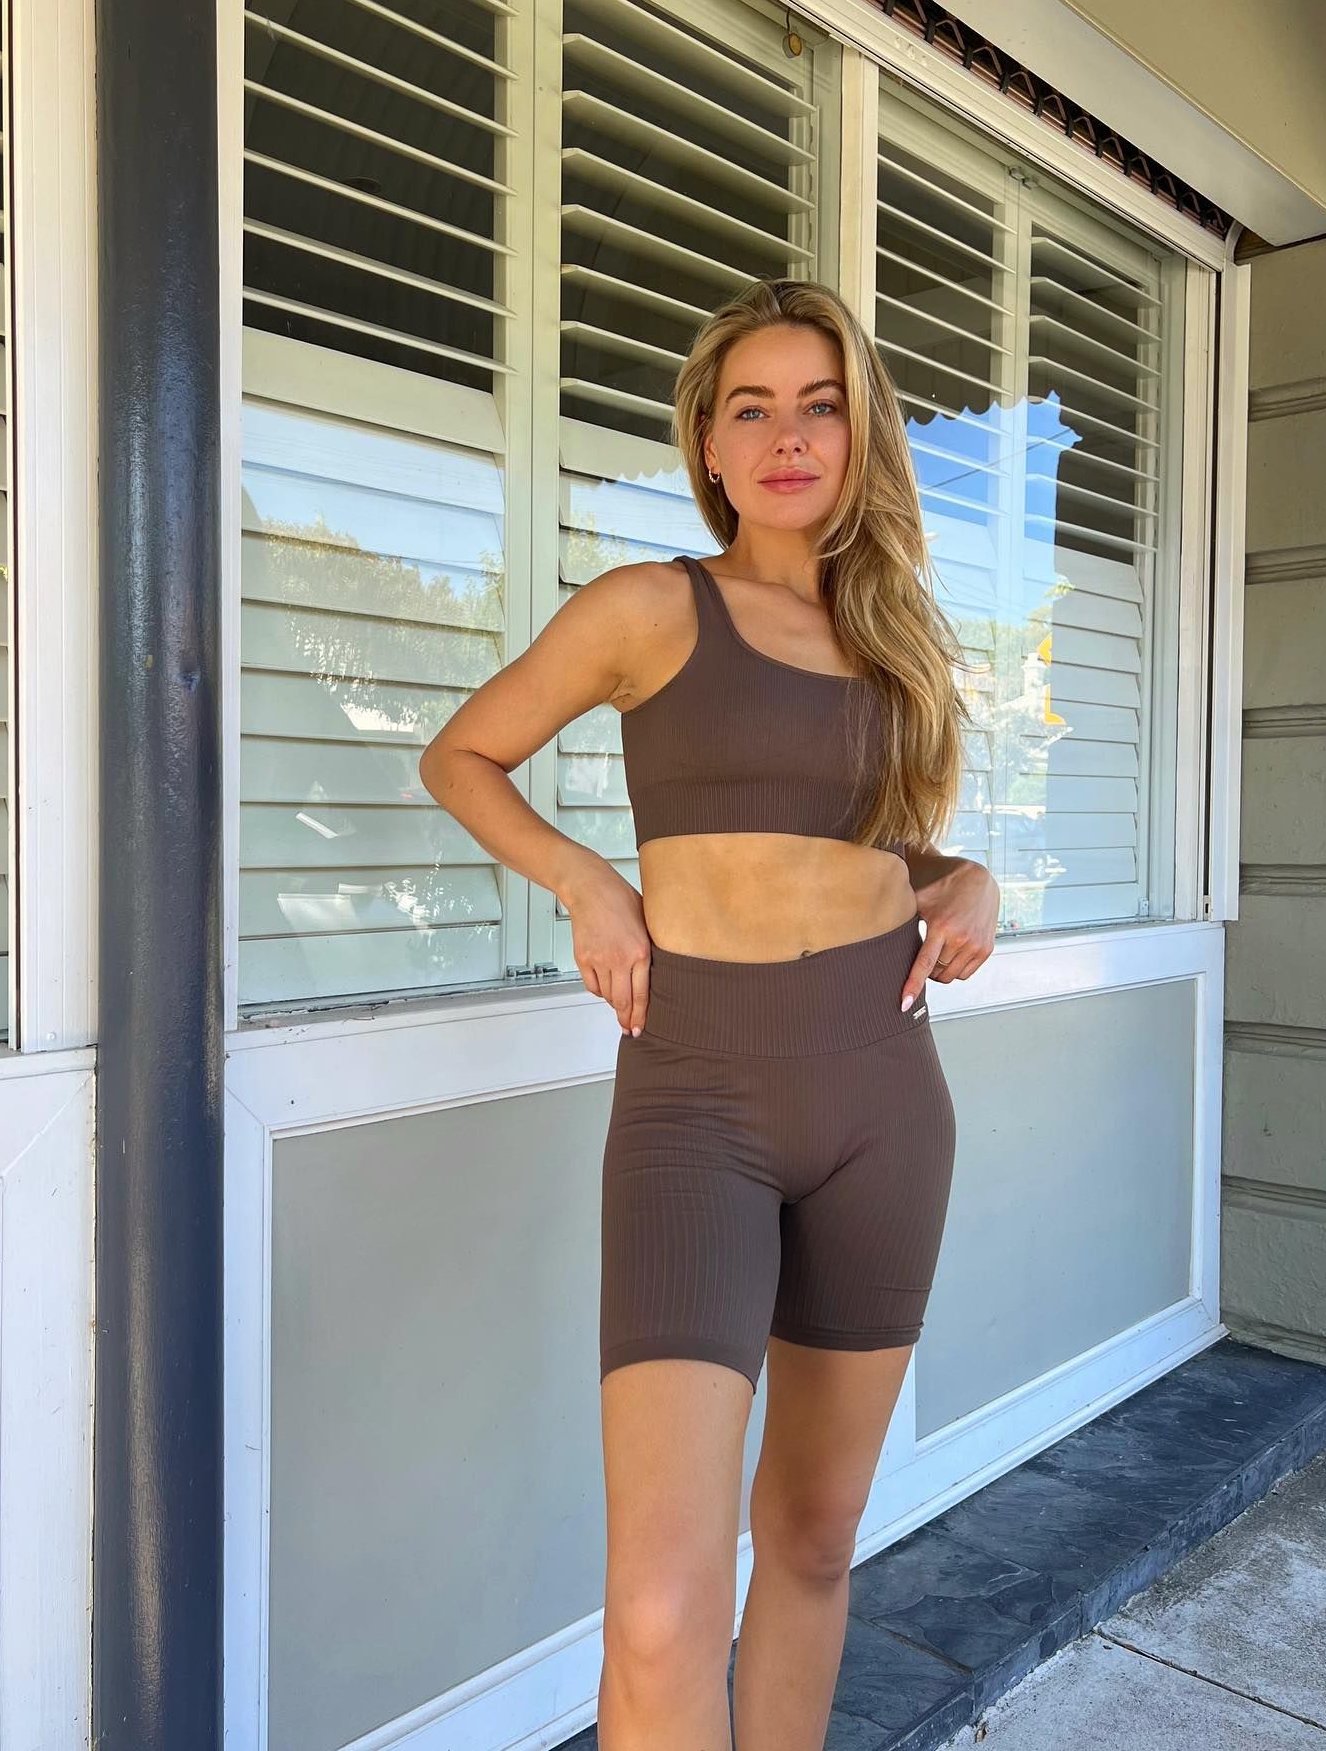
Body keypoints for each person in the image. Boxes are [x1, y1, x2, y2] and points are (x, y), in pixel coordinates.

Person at [419, 277, 998, 1750]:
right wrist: (587, 884)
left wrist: (970, 880)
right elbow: (462, 756)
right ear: (711, 445)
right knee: (662, 1608)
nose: (789, 436)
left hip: (881, 1096)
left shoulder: (896, 641)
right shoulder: (649, 608)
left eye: (821, 406)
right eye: (755, 409)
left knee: (811, 1538)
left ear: (861, 436)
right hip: (695, 1106)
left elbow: (871, 850)